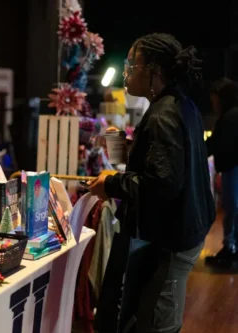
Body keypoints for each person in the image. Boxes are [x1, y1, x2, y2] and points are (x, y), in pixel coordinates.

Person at [89, 33, 215, 332]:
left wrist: (112, 184)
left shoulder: (163, 114)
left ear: (155, 70)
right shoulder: (179, 104)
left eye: (132, 64)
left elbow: (162, 185)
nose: (126, 72)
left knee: (158, 322)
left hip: (174, 238)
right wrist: (132, 148)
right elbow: (174, 161)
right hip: (186, 228)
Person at [205, 78, 238, 263]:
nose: (213, 105)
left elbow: (215, 144)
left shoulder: (228, 119)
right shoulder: (232, 116)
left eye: (214, 100)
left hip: (232, 168)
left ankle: (230, 248)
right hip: (232, 168)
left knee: (232, 208)